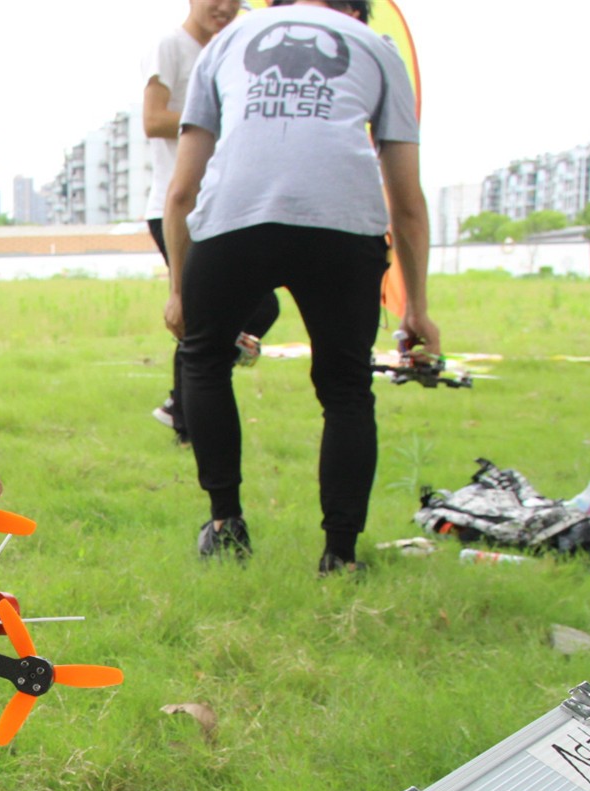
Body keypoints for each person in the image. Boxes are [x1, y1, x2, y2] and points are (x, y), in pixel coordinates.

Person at [161, 0, 440, 574]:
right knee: (345, 388)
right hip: (343, 225)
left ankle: (225, 524)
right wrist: (416, 310)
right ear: (357, 12)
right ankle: (339, 554)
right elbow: (408, 203)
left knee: (204, 359)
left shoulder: (226, 42)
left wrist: (178, 290)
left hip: (234, 220)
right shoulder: (379, 48)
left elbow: (182, 191)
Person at [142, 0, 280, 443]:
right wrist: (223, 117)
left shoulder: (237, 50)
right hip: (174, 205)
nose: (224, 7)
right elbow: (152, 118)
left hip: (220, 207)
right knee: (211, 315)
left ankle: (183, 403)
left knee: (242, 310)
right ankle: (185, 411)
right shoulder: (171, 46)